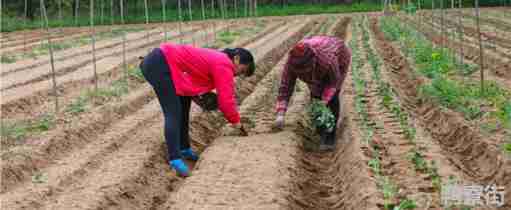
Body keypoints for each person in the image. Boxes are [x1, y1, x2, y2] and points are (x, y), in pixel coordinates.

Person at [140, 43, 255, 177]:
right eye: (242, 70)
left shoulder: (218, 59)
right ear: (236, 58)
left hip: (165, 63)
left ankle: (184, 148)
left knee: (183, 108)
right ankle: (175, 158)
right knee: (173, 112)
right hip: (160, 64)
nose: (237, 74)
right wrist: (237, 123)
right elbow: (226, 101)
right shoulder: (224, 64)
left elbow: (192, 81)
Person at [274, 36, 351, 151]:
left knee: (332, 98)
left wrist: (323, 102)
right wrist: (280, 114)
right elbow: (286, 87)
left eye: (305, 70)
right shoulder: (291, 63)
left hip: (340, 58)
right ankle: (319, 131)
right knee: (315, 95)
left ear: (313, 61)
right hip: (318, 62)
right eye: (300, 71)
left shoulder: (327, 60)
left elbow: (332, 84)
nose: (303, 73)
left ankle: (330, 137)